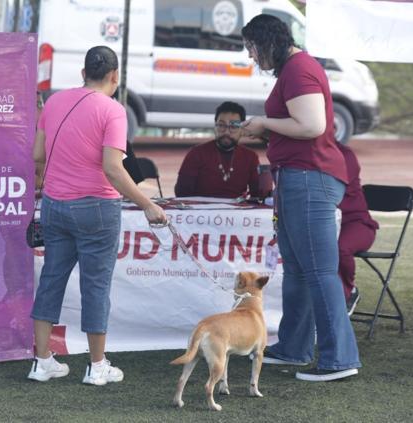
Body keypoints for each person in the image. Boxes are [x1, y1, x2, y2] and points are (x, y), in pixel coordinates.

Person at [28, 45, 167, 385]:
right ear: (115, 76)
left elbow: (37, 154)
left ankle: (42, 361)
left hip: (54, 205)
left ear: (83, 73)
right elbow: (113, 168)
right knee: (95, 285)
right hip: (97, 208)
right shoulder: (114, 110)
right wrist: (147, 204)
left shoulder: (55, 101)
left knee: (51, 279)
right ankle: (97, 365)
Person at [240, 14, 361, 382]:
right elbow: (301, 127)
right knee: (297, 270)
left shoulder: (298, 69)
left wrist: (264, 123)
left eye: (252, 48)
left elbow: (312, 125)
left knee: (320, 271)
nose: (251, 56)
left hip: (309, 179)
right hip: (299, 177)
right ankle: (294, 347)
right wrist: (266, 133)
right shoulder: (294, 69)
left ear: (267, 42)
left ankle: (339, 359)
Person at [174, 101, 261, 199]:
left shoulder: (250, 157)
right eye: (221, 125)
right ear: (215, 126)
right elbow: (182, 193)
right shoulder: (197, 153)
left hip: (237, 207)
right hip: (201, 207)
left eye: (233, 126)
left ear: (242, 129)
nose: (226, 132)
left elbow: (258, 194)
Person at [337, 143, 378, 315]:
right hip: (327, 222)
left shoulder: (344, 154)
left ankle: (349, 292)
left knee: (340, 248)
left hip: (356, 222)